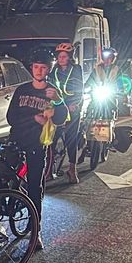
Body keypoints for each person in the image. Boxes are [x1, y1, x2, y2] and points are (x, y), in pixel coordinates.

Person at [7, 56, 69, 250]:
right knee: (3, 180)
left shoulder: (52, 92)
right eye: (36, 67)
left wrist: (58, 102)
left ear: (48, 69)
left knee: (35, 187)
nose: (39, 71)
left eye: (42, 67)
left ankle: (35, 230)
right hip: (16, 142)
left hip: (37, 145)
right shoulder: (22, 90)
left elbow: (61, 118)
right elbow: (10, 117)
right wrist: (33, 118)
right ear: (31, 68)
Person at [52, 42, 84, 184]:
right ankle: (48, 169)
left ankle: (72, 168)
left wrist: (74, 104)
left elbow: (79, 89)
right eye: (59, 56)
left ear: (69, 57)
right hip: (59, 106)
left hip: (73, 107)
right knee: (52, 137)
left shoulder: (76, 69)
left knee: (71, 138)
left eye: (64, 56)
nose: (61, 59)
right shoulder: (54, 71)